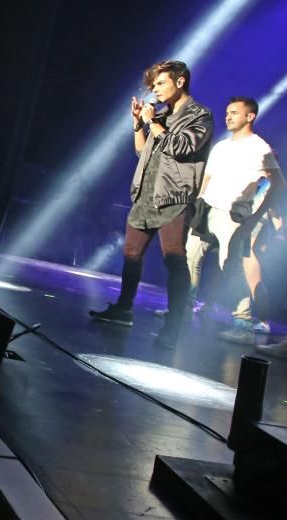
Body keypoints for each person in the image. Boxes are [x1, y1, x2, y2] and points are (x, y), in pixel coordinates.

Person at [89, 60, 213, 348]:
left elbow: (182, 148)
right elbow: (142, 151)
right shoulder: (162, 114)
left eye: (160, 83)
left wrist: (153, 122)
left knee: (174, 258)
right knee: (131, 252)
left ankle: (173, 326)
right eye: (153, 85)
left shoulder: (199, 115)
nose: (154, 90)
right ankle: (124, 308)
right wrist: (138, 125)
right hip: (147, 193)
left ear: (179, 81)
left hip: (174, 196)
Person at [181, 97, 285, 344]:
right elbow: (207, 179)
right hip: (207, 210)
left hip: (233, 216)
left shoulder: (260, 148)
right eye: (227, 112)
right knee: (189, 259)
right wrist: (196, 205)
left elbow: (278, 185)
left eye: (234, 113)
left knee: (232, 267)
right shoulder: (221, 146)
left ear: (250, 116)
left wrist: (255, 216)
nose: (228, 116)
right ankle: (182, 309)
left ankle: (243, 323)